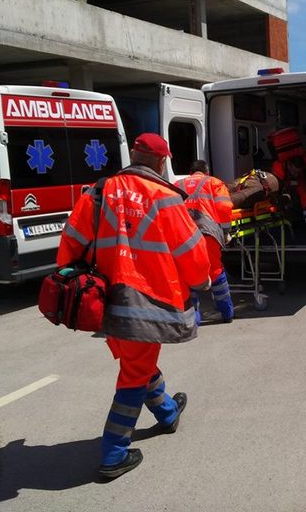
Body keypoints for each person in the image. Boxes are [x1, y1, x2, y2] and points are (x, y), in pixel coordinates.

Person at [57, 133, 211, 480]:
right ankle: (113, 451)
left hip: (105, 303)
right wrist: (204, 281)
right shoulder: (166, 198)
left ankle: (168, 413)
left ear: (133, 155)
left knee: (136, 362)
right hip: (150, 302)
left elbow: (69, 248)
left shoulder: (96, 192)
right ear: (161, 162)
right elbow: (194, 258)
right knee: (134, 373)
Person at [176, 160, 234, 324]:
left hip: (184, 235)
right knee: (215, 271)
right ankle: (227, 313)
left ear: (190, 172)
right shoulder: (214, 182)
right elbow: (224, 208)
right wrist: (226, 231)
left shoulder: (177, 184)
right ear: (206, 172)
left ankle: (194, 319)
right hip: (208, 234)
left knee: (188, 275)